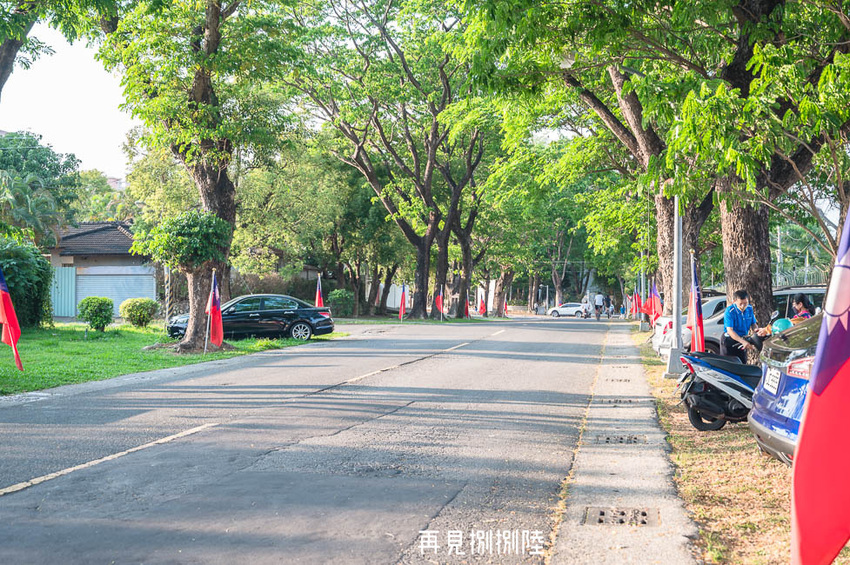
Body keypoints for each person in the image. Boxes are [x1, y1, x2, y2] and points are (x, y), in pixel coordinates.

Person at [721, 289, 771, 364]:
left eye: (745, 303)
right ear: (734, 301)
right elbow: (730, 331)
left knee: (742, 363)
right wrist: (743, 342)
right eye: (740, 303)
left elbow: (753, 323)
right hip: (730, 340)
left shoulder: (749, 309)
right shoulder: (730, 311)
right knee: (729, 365)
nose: (743, 306)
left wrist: (757, 330)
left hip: (742, 340)